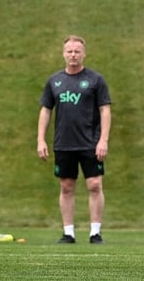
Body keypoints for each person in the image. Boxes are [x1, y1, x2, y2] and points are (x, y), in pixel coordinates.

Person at [37, 35, 111, 245]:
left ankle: (95, 233)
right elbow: (45, 110)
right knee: (66, 186)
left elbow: (105, 110)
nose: (73, 55)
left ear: (84, 54)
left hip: (90, 142)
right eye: (69, 51)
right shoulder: (54, 81)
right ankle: (68, 233)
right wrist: (41, 140)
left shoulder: (96, 80)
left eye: (77, 51)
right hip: (64, 142)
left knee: (94, 185)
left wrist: (103, 140)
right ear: (63, 54)